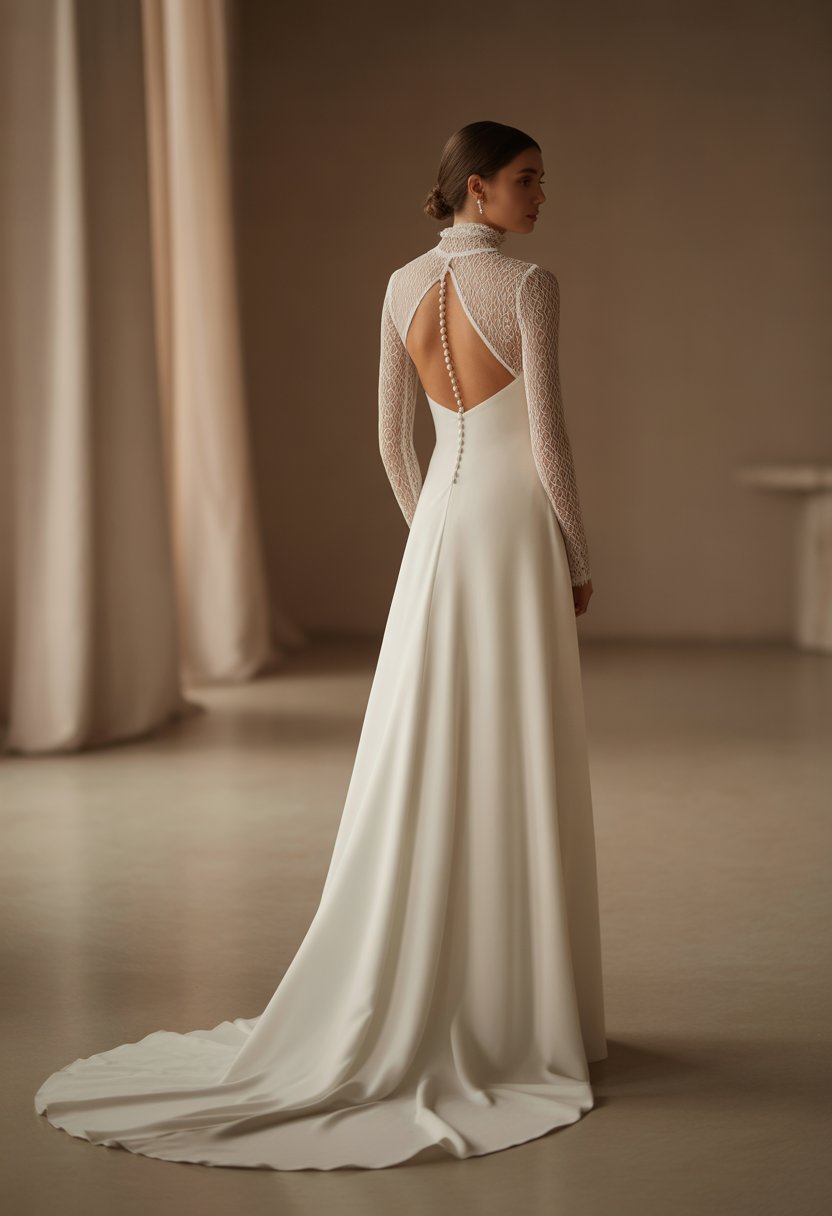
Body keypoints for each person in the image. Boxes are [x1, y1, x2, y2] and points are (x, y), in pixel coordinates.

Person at [33, 119, 607, 1171]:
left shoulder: (398, 287)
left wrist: (428, 526)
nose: (539, 196)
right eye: (525, 180)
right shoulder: (528, 286)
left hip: (439, 526)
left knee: (426, 750)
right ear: (475, 190)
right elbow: (551, 438)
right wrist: (574, 553)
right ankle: (517, 1012)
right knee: (511, 744)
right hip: (512, 529)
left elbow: (392, 440)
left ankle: (440, 987)